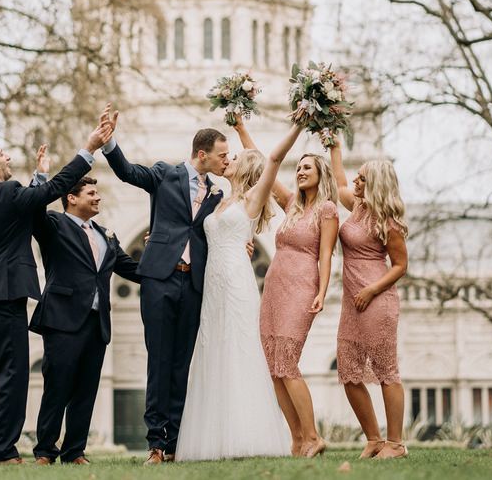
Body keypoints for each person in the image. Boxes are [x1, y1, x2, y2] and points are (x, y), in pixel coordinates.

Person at [0, 115, 113, 466]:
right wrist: (89, 150)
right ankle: (4, 452)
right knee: (14, 375)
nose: (8, 159)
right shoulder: (8, 191)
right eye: (3, 155)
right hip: (6, 295)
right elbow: (52, 191)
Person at [101, 110, 228, 464]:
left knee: (181, 364)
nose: (226, 160)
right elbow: (128, 172)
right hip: (160, 279)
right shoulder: (164, 174)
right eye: (221, 154)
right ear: (202, 155)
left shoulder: (217, 193)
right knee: (159, 362)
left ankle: (175, 443)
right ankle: (156, 444)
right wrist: (110, 141)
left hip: (194, 282)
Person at [175, 119, 305, 461]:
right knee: (213, 349)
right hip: (212, 285)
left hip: (235, 281)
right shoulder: (217, 198)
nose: (226, 159)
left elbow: (273, 160)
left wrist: (297, 126)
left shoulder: (251, 197)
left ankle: (247, 436)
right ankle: (213, 438)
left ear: (245, 167)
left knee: (239, 350)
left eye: (232, 157)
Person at [233, 120, 339, 458]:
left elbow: (325, 257)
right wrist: (240, 130)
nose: (302, 172)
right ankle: (297, 440)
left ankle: (313, 436)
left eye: (308, 167)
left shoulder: (327, 210)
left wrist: (321, 291)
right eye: (300, 168)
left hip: (302, 288)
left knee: (288, 362)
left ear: (321, 174)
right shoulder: (291, 204)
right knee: (272, 365)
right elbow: (266, 164)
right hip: (274, 287)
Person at [29, 169, 141, 465]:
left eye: (97, 193)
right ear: (71, 198)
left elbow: (132, 269)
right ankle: (44, 451)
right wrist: (41, 177)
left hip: (96, 324)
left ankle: (74, 451)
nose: (98, 197)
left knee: (86, 390)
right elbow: (32, 208)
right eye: (91, 193)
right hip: (62, 320)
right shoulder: (54, 224)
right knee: (57, 388)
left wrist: (167, 261)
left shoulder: (107, 236)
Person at [330, 144, 410, 460]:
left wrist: (372, 291)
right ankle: (374, 439)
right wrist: (334, 146)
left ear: (375, 183)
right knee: (349, 372)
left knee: (386, 371)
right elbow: (338, 184)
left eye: (361, 178)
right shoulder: (356, 207)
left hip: (377, 301)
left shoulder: (389, 222)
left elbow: (401, 265)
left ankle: (396, 443)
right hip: (352, 304)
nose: (355, 181)